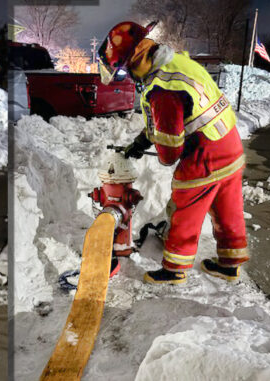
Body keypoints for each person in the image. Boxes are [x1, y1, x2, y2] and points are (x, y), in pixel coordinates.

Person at [97, 21, 248, 285]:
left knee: (185, 208)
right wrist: (142, 142)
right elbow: (175, 117)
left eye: (126, 70)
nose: (129, 76)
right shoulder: (176, 63)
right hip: (230, 145)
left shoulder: (162, 89)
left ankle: (174, 269)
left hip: (204, 154)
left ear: (134, 61)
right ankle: (230, 263)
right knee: (227, 207)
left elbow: (169, 152)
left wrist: (162, 148)